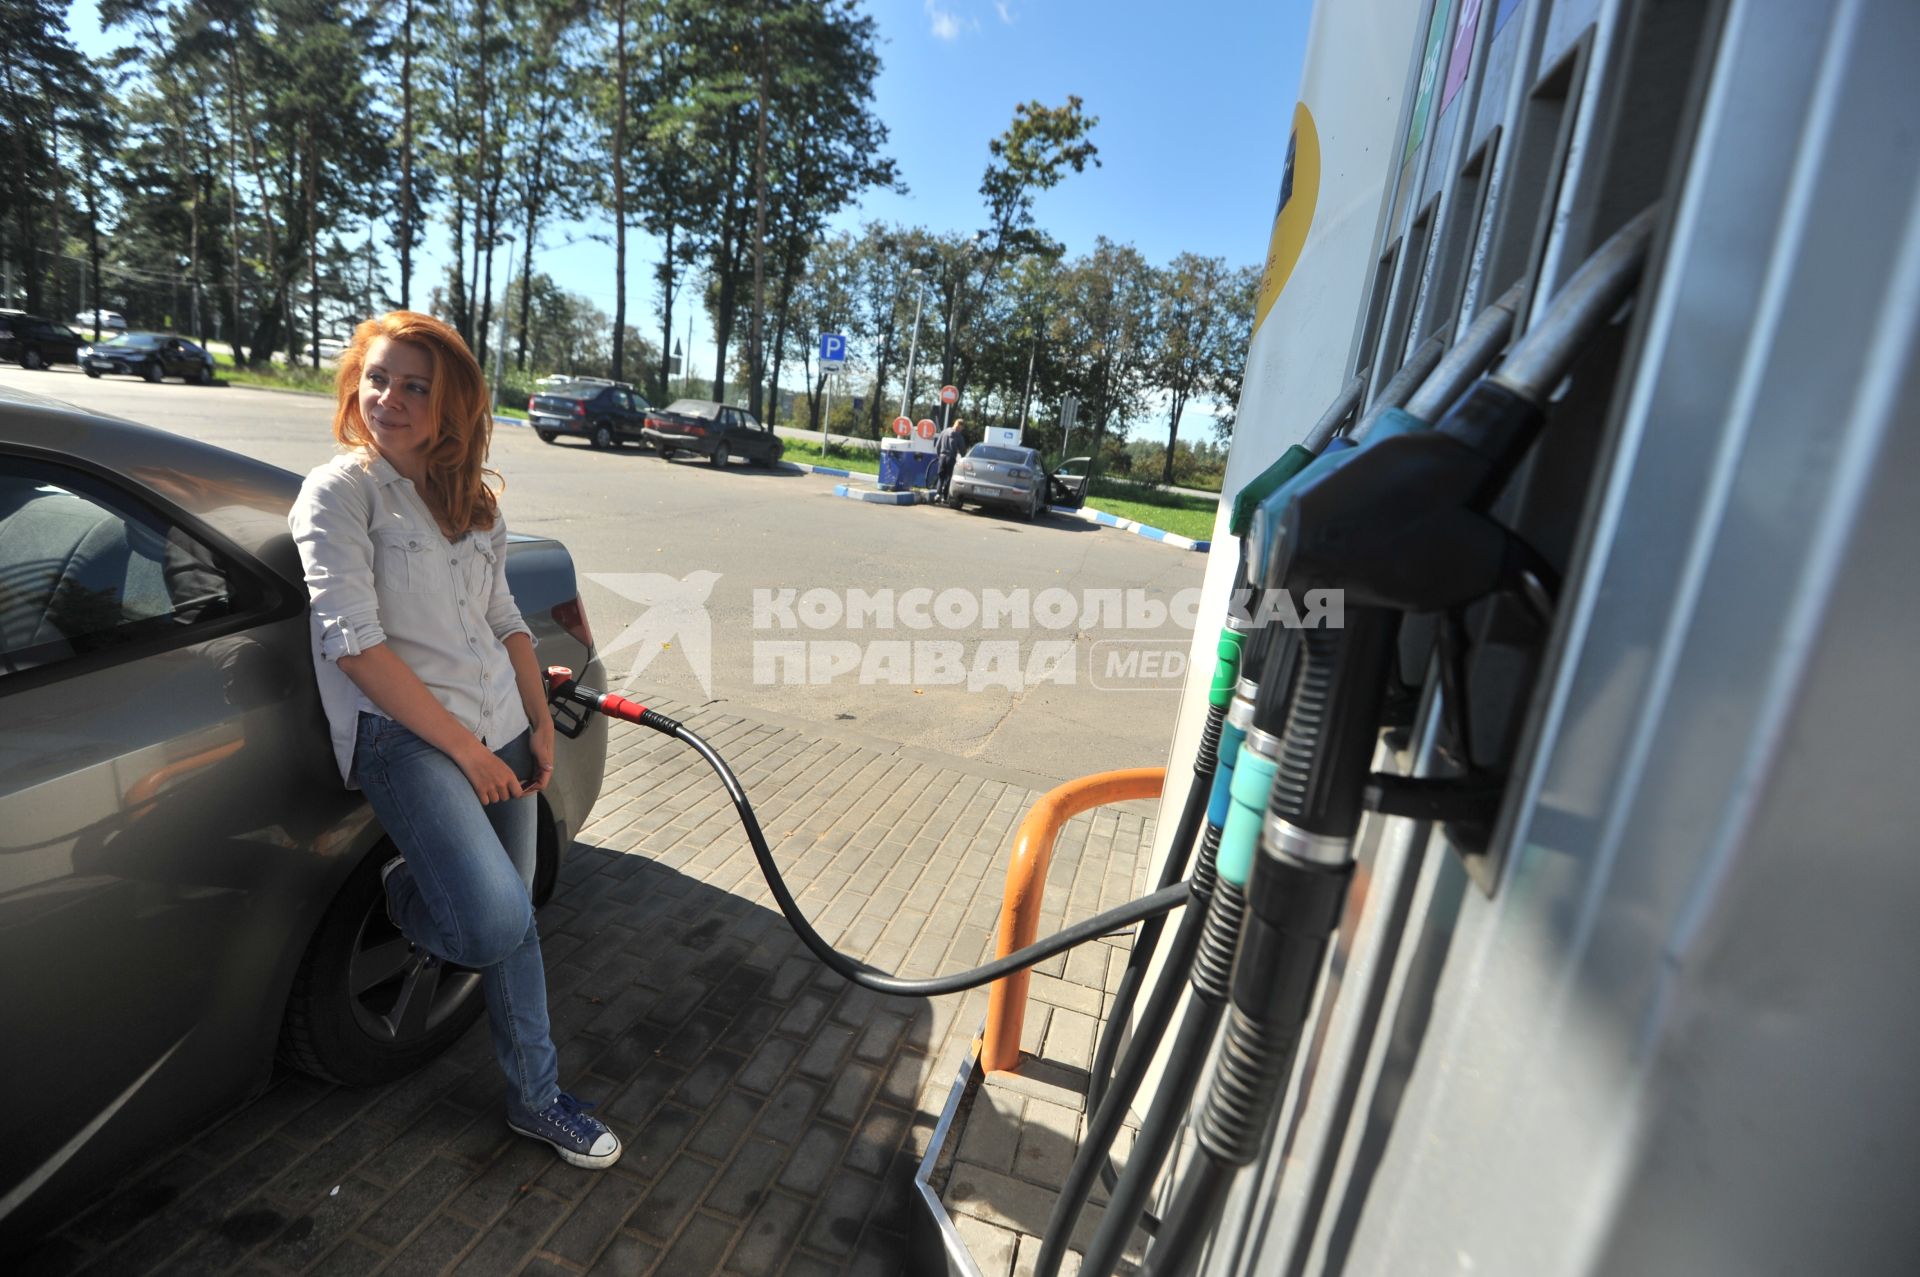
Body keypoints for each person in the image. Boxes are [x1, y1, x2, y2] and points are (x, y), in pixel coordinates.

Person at [288, 311, 622, 1169]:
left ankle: (539, 1098)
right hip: (405, 741)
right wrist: (467, 754)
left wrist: (540, 722)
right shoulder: (339, 494)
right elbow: (356, 644)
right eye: (376, 379)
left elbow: (506, 621)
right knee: (489, 922)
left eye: (413, 386)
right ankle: (411, 893)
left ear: (452, 407)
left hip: (503, 730)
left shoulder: (475, 505)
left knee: (516, 922)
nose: (387, 400)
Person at [935, 416, 967, 504]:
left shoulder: (944, 432)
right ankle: (944, 497)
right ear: (960, 426)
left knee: (940, 477)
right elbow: (962, 450)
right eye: (962, 428)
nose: (961, 429)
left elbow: (937, 445)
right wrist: (964, 460)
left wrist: (939, 456)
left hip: (942, 457)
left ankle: (937, 494)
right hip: (951, 458)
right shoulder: (958, 436)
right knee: (948, 478)